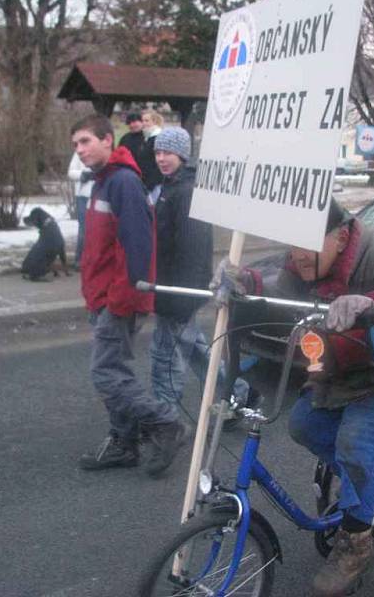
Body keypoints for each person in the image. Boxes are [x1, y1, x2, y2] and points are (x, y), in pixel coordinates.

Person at [211, 200, 374, 597]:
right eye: (292, 246)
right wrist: (249, 284)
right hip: (350, 368)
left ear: (342, 237)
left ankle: (355, 545)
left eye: (306, 245)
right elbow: (282, 295)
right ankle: (370, 472)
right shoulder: (305, 262)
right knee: (302, 424)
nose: (297, 255)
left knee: (355, 440)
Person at [71, 114, 186, 477]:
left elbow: (138, 248)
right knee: (115, 369)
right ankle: (123, 442)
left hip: (118, 299)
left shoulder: (123, 182)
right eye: (76, 144)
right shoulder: (102, 182)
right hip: (102, 295)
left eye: (86, 141)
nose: (80, 149)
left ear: (108, 140)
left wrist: (120, 301)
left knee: (105, 373)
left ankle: (166, 422)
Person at [149, 126, 250, 412]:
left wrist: (181, 299)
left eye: (168, 152)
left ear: (182, 154)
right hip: (173, 291)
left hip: (178, 294)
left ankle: (164, 421)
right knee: (197, 352)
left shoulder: (186, 192)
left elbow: (193, 252)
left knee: (165, 362)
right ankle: (240, 395)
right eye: (158, 151)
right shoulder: (172, 186)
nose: (161, 158)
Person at [67, 151, 94, 268]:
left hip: (99, 194)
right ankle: (80, 259)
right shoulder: (80, 152)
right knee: (84, 228)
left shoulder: (104, 149)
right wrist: (82, 175)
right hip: (83, 195)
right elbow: (71, 172)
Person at [139, 110, 164, 193]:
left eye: (147, 120)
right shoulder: (147, 138)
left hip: (154, 185)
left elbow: (157, 164)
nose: (144, 123)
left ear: (154, 121)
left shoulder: (157, 138)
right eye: (142, 121)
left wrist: (149, 185)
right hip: (146, 182)